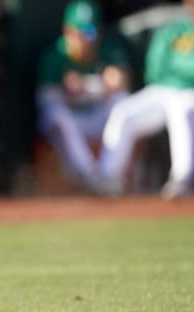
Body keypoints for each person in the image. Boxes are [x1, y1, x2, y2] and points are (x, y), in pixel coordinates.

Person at [98, 0, 194, 199]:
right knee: (124, 112)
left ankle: (181, 178)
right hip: (163, 89)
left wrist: (180, 73)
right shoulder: (173, 31)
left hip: (189, 93)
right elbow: (154, 68)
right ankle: (108, 178)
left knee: (181, 109)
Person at [36, 0, 131, 192]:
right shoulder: (55, 55)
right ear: (67, 31)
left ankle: (108, 174)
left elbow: (120, 82)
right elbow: (46, 103)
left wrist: (86, 86)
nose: (84, 39)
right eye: (78, 33)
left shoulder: (107, 50)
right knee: (57, 115)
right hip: (69, 122)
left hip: (95, 114)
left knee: (122, 102)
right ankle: (89, 175)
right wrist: (67, 93)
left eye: (90, 32)